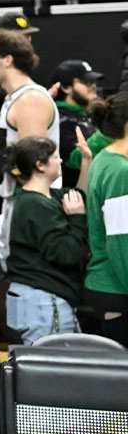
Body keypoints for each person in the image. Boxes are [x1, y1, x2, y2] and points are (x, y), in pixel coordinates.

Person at [0, 29, 56, 267]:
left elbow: (34, 166)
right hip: (16, 202)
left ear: (8, 60)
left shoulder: (29, 100)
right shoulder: (13, 99)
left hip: (31, 210)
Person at [4, 136, 88, 345]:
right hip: (43, 301)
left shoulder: (41, 198)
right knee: (49, 371)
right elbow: (65, 253)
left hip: (38, 300)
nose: (60, 161)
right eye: (55, 157)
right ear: (40, 165)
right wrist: (77, 219)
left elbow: (78, 196)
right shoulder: (36, 205)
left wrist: (86, 161)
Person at [85, 93, 128, 345]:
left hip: (110, 285)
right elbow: (120, 240)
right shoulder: (120, 170)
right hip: (116, 288)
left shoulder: (104, 159)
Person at [54, 60, 102, 189]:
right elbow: (74, 159)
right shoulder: (59, 118)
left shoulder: (88, 115)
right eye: (86, 82)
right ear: (65, 87)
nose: (93, 86)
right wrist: (110, 132)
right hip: (73, 199)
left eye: (93, 81)